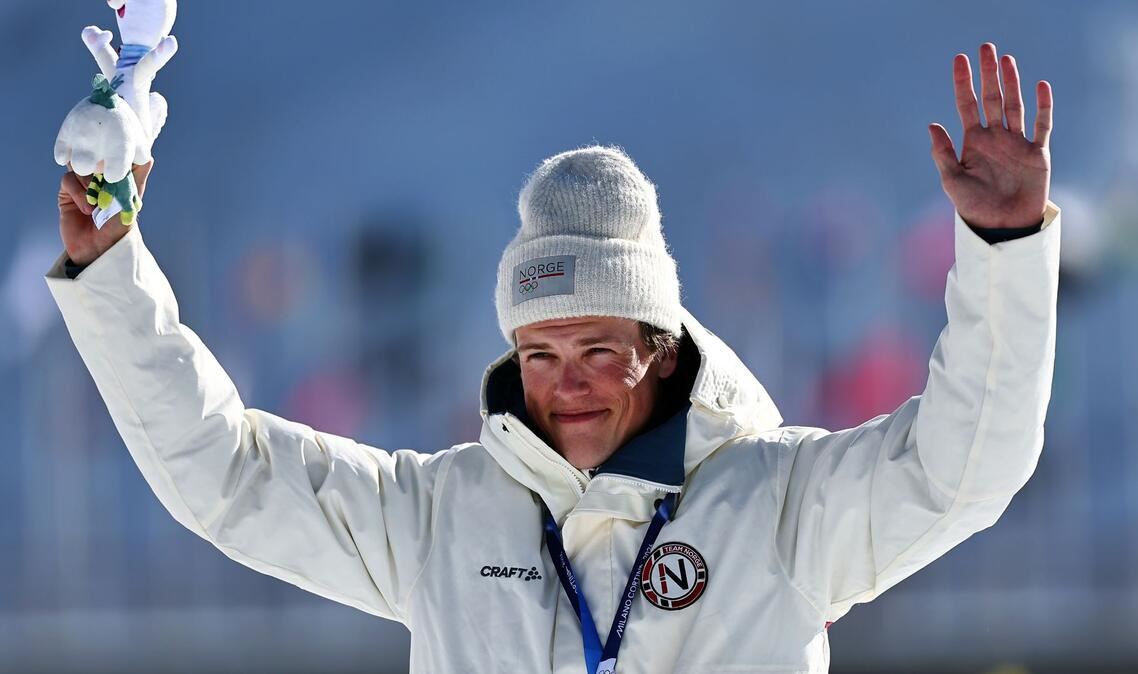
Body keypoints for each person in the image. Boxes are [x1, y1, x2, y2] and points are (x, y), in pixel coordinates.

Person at [47, 43, 1059, 673]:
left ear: (660, 349)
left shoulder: (781, 506)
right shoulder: (441, 516)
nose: (562, 380)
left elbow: (963, 468)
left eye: (596, 347)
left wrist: (1006, 253)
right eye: (538, 349)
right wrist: (109, 269)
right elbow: (224, 474)